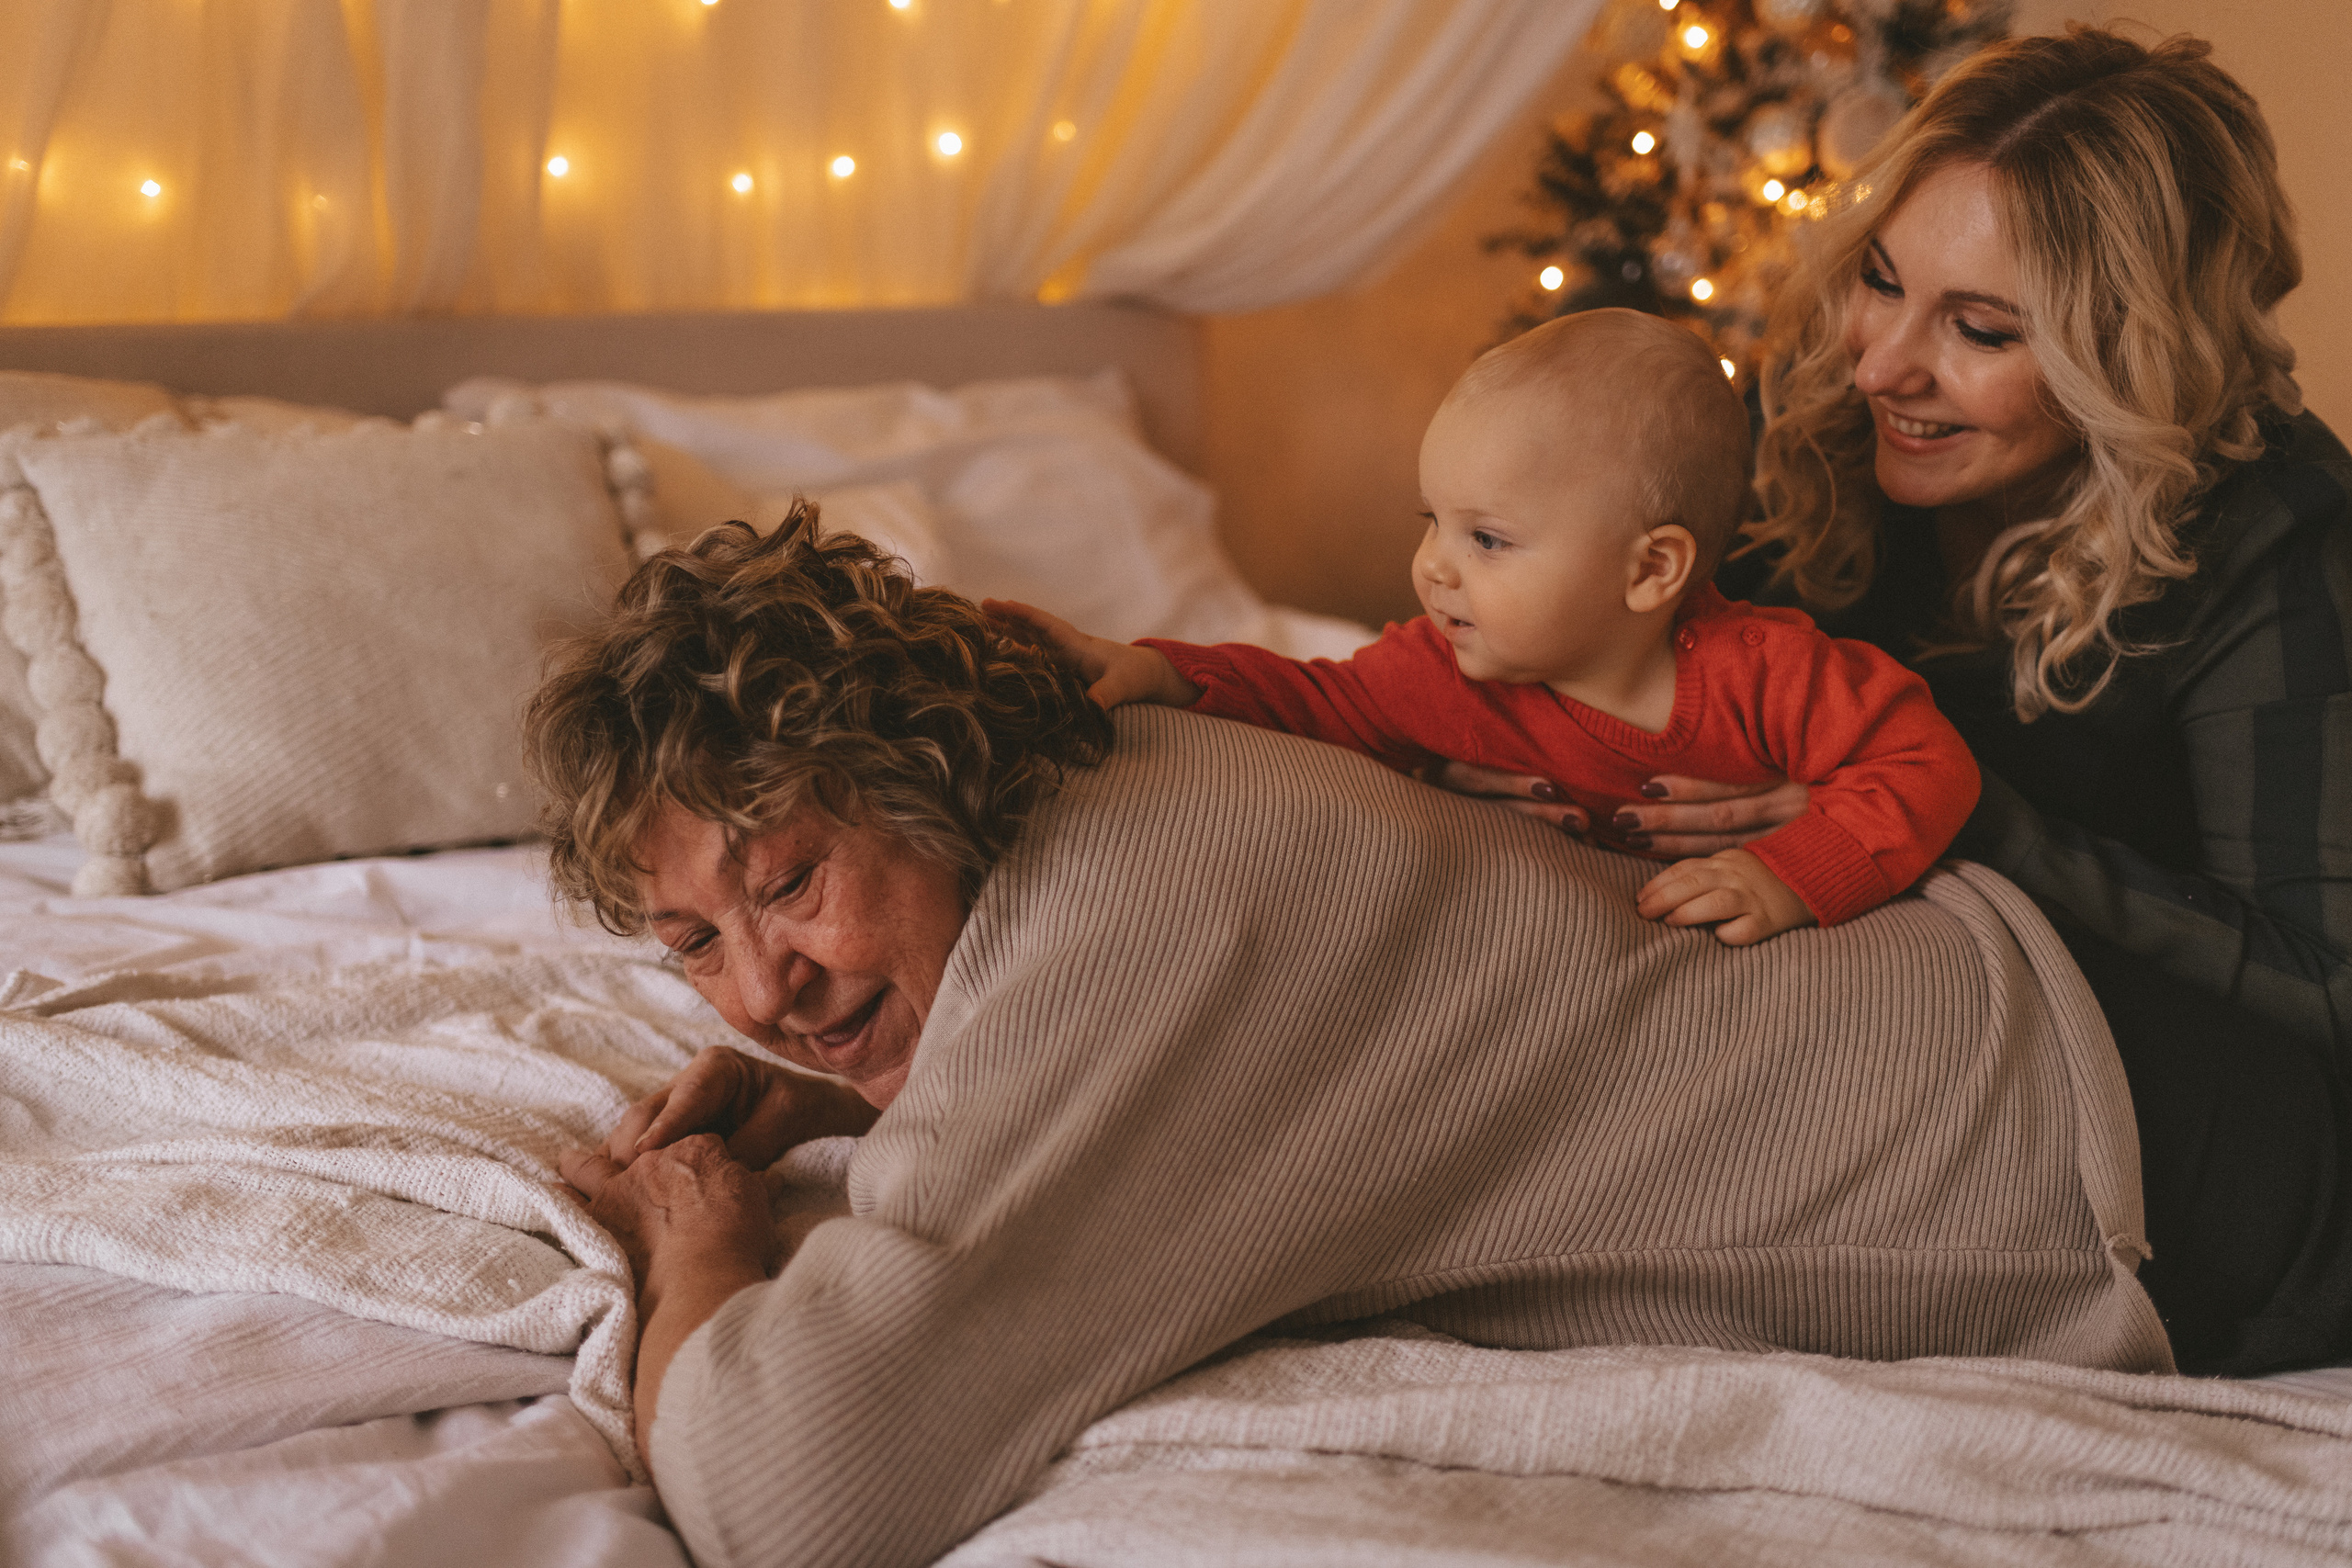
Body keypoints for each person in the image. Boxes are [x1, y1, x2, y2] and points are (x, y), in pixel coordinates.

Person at [532, 513, 2159, 1568]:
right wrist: (831, 1084)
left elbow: (784, 1488)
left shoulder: (1123, 934)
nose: (759, 991)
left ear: (917, 777)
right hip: (2017, 1019)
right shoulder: (1116, 789)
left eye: (793, 884)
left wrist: (698, 1251)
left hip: (2109, 1166)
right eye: (690, 942)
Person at [1444, 28, 2352, 1377]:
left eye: (1980, 330)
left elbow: (2319, 989)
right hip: (1844, 1063)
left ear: (2135, 354)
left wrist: (1926, 819)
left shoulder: (2273, 534)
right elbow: (1637, 675)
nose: (1882, 366)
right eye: (1883, 282)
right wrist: (1491, 739)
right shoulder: (1815, 425)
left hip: (2185, 1145)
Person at [998, 309, 1979, 945]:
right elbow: (1313, 698)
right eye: (1432, 522)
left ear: (1650, 570)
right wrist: (1159, 672)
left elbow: (1926, 765)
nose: (1433, 566)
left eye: (1488, 539)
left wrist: (1790, 874)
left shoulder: (1766, 672)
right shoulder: (1444, 671)